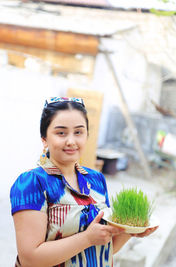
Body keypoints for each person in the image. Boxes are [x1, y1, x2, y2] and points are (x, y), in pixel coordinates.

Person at [10, 97, 158, 267]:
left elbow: (104, 248)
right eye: (61, 133)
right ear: (44, 138)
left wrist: (131, 231)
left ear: (87, 134)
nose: (71, 141)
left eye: (78, 132)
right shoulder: (31, 183)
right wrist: (87, 238)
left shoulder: (96, 180)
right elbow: (30, 259)